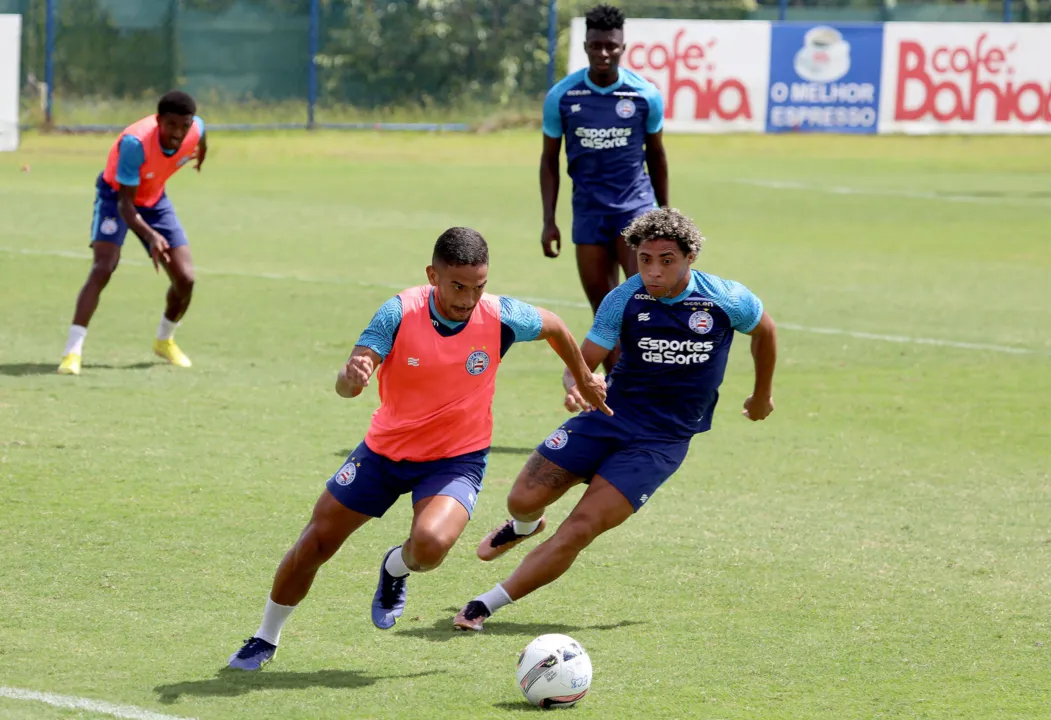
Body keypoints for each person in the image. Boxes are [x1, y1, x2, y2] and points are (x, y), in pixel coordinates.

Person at [228, 227, 610, 671]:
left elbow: (554, 325)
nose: (468, 298)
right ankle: (265, 637)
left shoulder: (501, 315)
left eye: (479, 286)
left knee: (429, 547)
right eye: (458, 286)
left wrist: (583, 376)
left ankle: (395, 568)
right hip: (383, 453)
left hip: (455, 459)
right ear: (433, 275)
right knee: (315, 544)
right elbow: (350, 381)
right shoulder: (398, 312)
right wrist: (352, 377)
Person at [453, 208, 778, 631]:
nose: (654, 271)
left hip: (661, 442)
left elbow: (766, 331)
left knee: (579, 528)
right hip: (607, 416)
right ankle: (523, 526)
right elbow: (582, 362)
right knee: (522, 499)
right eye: (645, 259)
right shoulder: (624, 299)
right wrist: (576, 385)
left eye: (667, 260)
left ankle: (486, 604)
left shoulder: (726, 299)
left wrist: (761, 394)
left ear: (690, 257)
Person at [540, 3, 668, 370]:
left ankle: (646, 389)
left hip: (634, 211)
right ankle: (616, 395)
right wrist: (549, 220)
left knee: (640, 304)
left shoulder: (644, 95)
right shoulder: (563, 97)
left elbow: (657, 156)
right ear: (585, 46)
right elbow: (549, 161)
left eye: (611, 46)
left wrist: (664, 214)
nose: (604, 53)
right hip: (589, 214)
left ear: (623, 47)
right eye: (596, 46)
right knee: (604, 315)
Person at [57, 90, 208, 375]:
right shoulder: (135, 144)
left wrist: (201, 155)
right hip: (117, 197)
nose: (178, 133)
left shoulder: (195, 129)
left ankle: (165, 340)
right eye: (171, 125)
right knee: (104, 266)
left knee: (185, 279)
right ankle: (71, 352)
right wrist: (150, 236)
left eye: (183, 126)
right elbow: (126, 205)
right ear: (158, 120)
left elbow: (201, 134)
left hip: (154, 199)